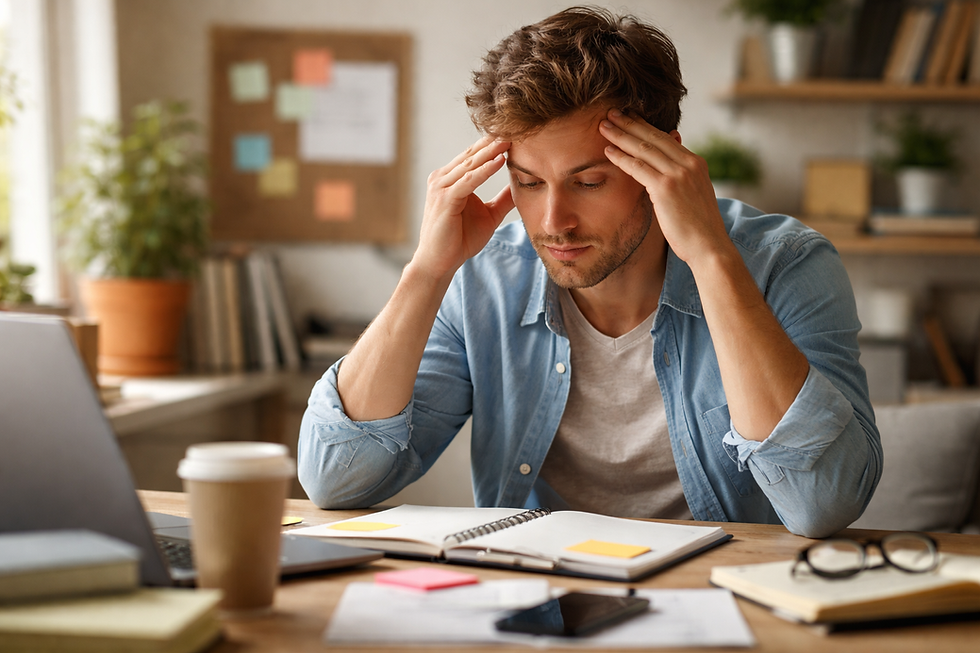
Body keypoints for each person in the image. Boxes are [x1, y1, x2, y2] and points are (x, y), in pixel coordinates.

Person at [298, 6, 881, 538]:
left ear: (662, 159)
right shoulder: (483, 277)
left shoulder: (786, 263)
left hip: (722, 602)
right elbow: (336, 478)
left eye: (589, 182)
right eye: (528, 182)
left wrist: (711, 258)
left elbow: (822, 504)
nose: (554, 221)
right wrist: (425, 272)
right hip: (535, 601)